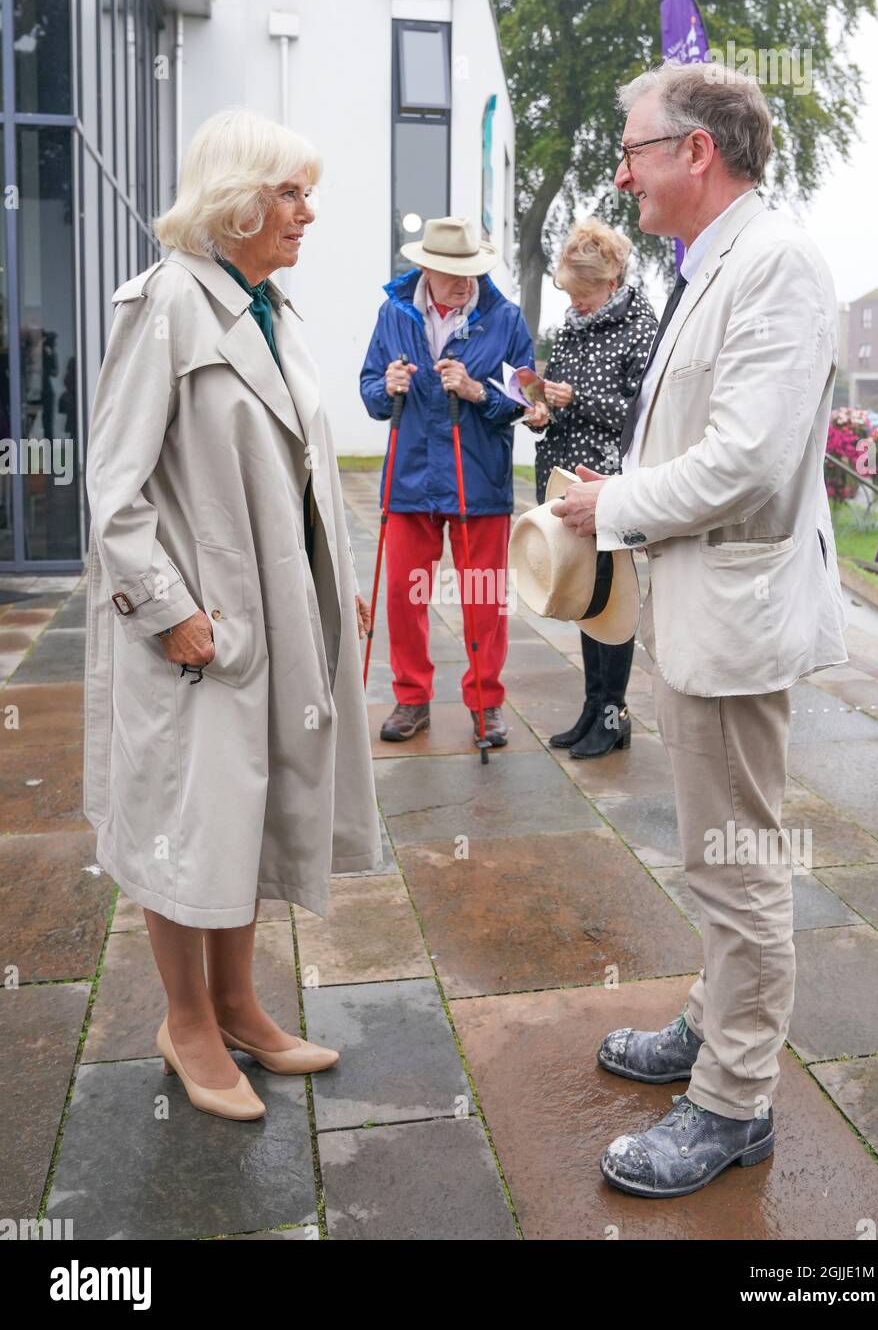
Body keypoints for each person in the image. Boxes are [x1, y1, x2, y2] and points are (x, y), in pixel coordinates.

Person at [552, 59, 848, 1197]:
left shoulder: (771, 264)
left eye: (631, 149)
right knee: (716, 853)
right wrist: (617, 481)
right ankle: (711, 1020)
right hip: (705, 604)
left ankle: (732, 1100)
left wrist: (610, 505)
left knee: (741, 861)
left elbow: (749, 459)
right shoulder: (719, 258)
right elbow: (701, 429)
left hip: (735, 611)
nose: (620, 173)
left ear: (695, 153)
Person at [83, 108, 381, 1123]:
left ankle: (240, 1005)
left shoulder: (266, 308)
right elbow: (113, 485)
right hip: (197, 634)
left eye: (306, 192)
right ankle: (187, 1022)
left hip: (273, 615)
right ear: (237, 200)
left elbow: (298, 466)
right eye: (290, 193)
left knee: (248, 810)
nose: (307, 213)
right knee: (186, 820)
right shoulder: (167, 302)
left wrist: (342, 576)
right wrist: (165, 610)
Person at [360, 216, 534, 747]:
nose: (465, 282)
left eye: (472, 271)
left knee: (483, 597)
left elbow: (525, 399)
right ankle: (412, 699)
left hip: (477, 483)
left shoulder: (504, 319)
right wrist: (385, 386)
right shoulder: (394, 313)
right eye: (453, 272)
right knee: (402, 596)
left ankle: (487, 704)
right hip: (410, 477)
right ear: (426, 268)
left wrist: (479, 392)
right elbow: (369, 391)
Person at [525, 218, 657, 757]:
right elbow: (558, 401)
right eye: (570, 295)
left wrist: (576, 398)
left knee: (612, 604)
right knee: (584, 600)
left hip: (610, 484)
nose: (574, 304)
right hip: (565, 480)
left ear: (609, 281)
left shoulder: (641, 325)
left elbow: (645, 416)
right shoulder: (575, 324)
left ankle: (613, 715)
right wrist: (543, 413)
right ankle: (591, 709)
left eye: (581, 294)